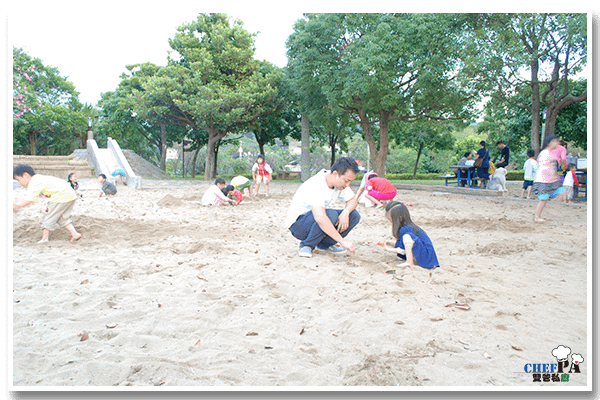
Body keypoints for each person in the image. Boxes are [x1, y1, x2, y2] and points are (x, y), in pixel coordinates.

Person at [284, 157, 361, 258]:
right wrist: (342, 241)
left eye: (350, 181)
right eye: (346, 181)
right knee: (330, 215)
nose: (348, 185)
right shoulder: (316, 184)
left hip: (317, 221)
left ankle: (324, 245)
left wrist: (346, 212)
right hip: (299, 225)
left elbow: (353, 201)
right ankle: (306, 245)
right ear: (335, 174)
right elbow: (320, 218)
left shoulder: (339, 184)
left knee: (354, 215)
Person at [13, 164, 82, 243]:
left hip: (61, 196)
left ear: (25, 175)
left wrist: (17, 207)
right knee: (61, 217)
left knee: (49, 216)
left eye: (19, 180)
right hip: (71, 195)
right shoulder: (38, 178)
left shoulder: (33, 182)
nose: (20, 183)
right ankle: (75, 234)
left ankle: (45, 238)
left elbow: (30, 200)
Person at [381, 201, 439, 269]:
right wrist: (389, 243)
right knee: (407, 237)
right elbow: (405, 245)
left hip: (427, 258)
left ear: (400, 218)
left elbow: (403, 250)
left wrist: (388, 249)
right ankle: (410, 260)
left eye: (392, 221)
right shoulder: (406, 227)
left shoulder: (406, 229)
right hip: (427, 256)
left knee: (407, 236)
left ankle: (409, 262)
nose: (391, 223)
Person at [532, 135, 566, 222]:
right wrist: (553, 175)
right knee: (544, 199)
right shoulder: (545, 153)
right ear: (549, 143)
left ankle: (552, 209)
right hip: (543, 180)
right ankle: (537, 217)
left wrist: (554, 176)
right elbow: (544, 167)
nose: (557, 143)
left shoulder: (551, 153)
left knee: (562, 192)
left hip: (551, 180)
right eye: (555, 141)